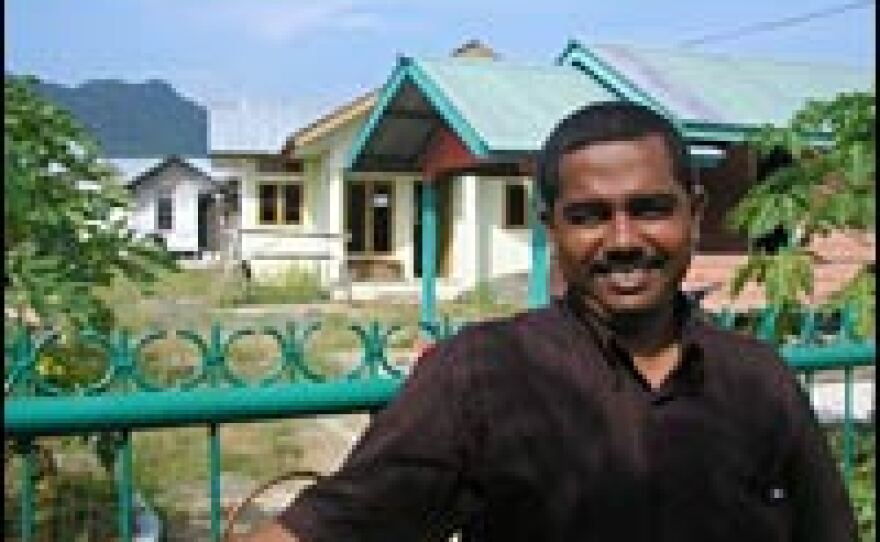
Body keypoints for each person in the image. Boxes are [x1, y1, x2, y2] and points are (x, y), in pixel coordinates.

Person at [241, 102, 856, 541]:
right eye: (589, 216)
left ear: (694, 214)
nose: (623, 239)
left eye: (649, 209)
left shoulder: (759, 380)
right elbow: (334, 523)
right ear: (552, 227)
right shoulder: (482, 375)